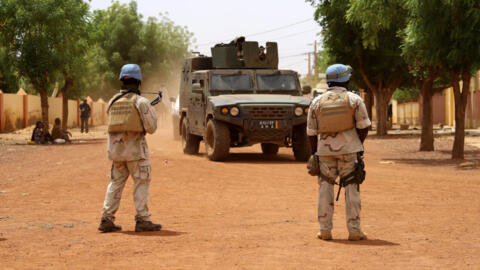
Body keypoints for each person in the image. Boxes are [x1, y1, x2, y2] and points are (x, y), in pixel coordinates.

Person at [307, 64, 371, 241]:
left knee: (325, 189)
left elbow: (311, 133)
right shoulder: (354, 100)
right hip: (350, 151)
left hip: (324, 153)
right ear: (346, 80)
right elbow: (364, 127)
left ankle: (325, 231)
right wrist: (357, 144)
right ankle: (355, 231)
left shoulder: (316, 102)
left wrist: (315, 154)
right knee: (352, 189)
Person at [98, 64, 161, 233]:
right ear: (138, 81)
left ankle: (106, 219)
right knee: (141, 183)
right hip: (136, 152)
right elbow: (151, 128)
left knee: (115, 184)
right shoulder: (141, 102)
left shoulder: (112, 101)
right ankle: (142, 219)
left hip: (116, 152)